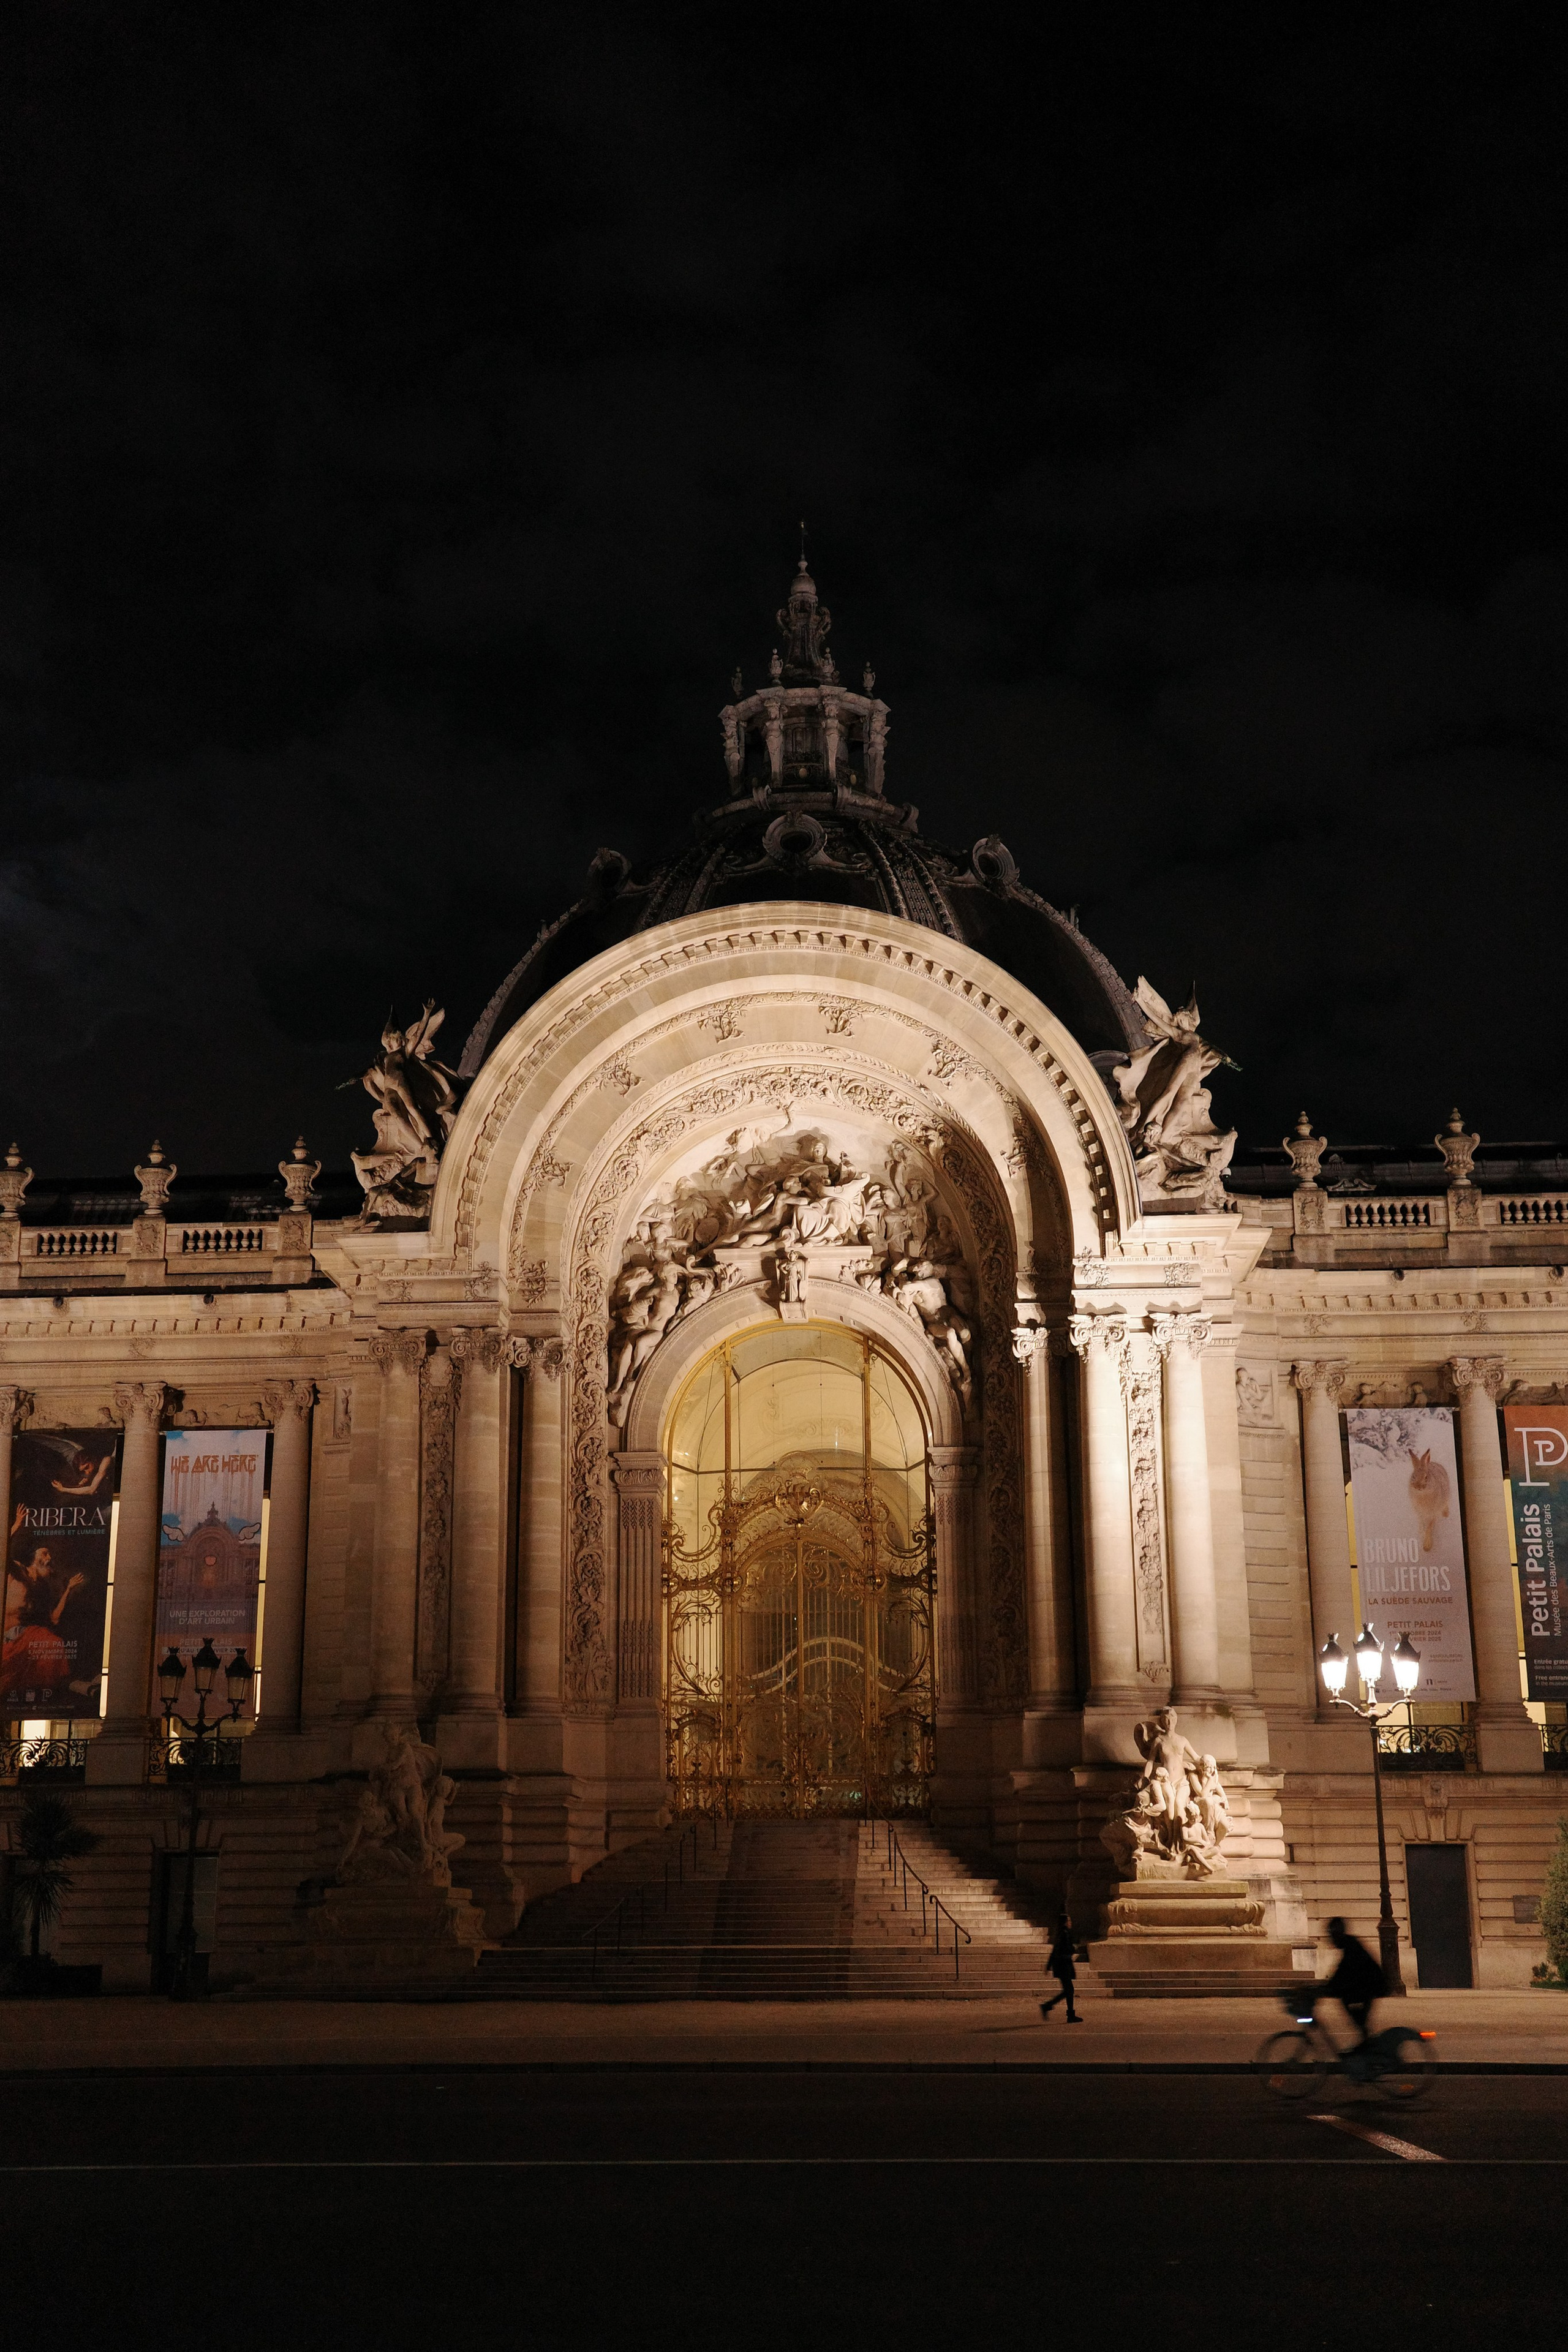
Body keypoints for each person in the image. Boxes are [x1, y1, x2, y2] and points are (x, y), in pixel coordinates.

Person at [1316, 1915, 1387, 2049]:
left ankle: (1369, 2045)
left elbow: (1344, 1971)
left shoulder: (1351, 1946)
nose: (1331, 1939)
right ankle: (1366, 2041)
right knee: (1352, 2008)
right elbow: (1342, 1972)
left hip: (1373, 1984)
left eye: (1332, 1935)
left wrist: (1327, 1988)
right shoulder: (1349, 1944)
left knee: (1350, 2004)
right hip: (1368, 1983)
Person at [1039, 1913, 1083, 2024]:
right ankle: (1065, 2013)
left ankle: (1049, 2006)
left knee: (1068, 1990)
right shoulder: (1065, 1934)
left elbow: (1055, 1950)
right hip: (1064, 1965)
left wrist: (1049, 1965)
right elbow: (1067, 1949)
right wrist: (1073, 1949)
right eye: (1069, 1921)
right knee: (1069, 1990)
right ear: (1065, 1922)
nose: (1071, 1923)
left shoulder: (1060, 1934)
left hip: (1061, 1965)